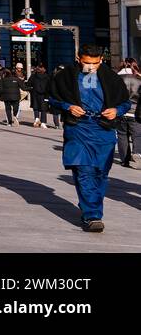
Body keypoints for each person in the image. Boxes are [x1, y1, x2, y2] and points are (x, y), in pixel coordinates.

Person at [48, 46, 133, 232]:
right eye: (87, 62)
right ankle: (92, 215)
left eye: (95, 63)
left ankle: (90, 204)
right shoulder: (65, 76)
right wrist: (68, 106)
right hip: (78, 127)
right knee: (83, 170)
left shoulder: (112, 78)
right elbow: (52, 98)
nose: (90, 67)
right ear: (78, 58)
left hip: (103, 129)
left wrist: (116, 111)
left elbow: (126, 102)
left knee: (101, 173)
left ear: (101, 60)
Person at [117, 61, 141, 168]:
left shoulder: (116, 78)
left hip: (121, 110)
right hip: (135, 111)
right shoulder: (138, 79)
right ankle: (137, 154)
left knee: (122, 135)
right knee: (137, 135)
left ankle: (124, 160)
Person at [27, 63, 55, 129]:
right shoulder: (47, 77)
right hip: (44, 94)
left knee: (36, 107)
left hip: (35, 94)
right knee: (44, 109)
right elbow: (50, 86)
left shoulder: (33, 76)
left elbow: (28, 84)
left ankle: (36, 118)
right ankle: (43, 123)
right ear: (44, 69)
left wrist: (32, 88)